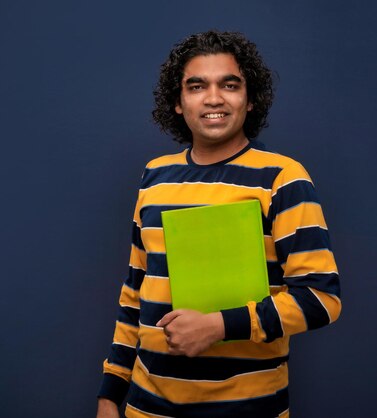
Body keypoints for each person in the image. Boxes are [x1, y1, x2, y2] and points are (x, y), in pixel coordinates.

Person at [96, 30, 341, 418]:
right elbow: (133, 294)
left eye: (229, 84)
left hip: (248, 409)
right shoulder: (154, 177)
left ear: (251, 98)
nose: (213, 98)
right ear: (178, 102)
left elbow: (321, 299)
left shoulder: (283, 178)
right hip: (146, 408)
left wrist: (219, 325)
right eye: (196, 86)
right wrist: (111, 394)